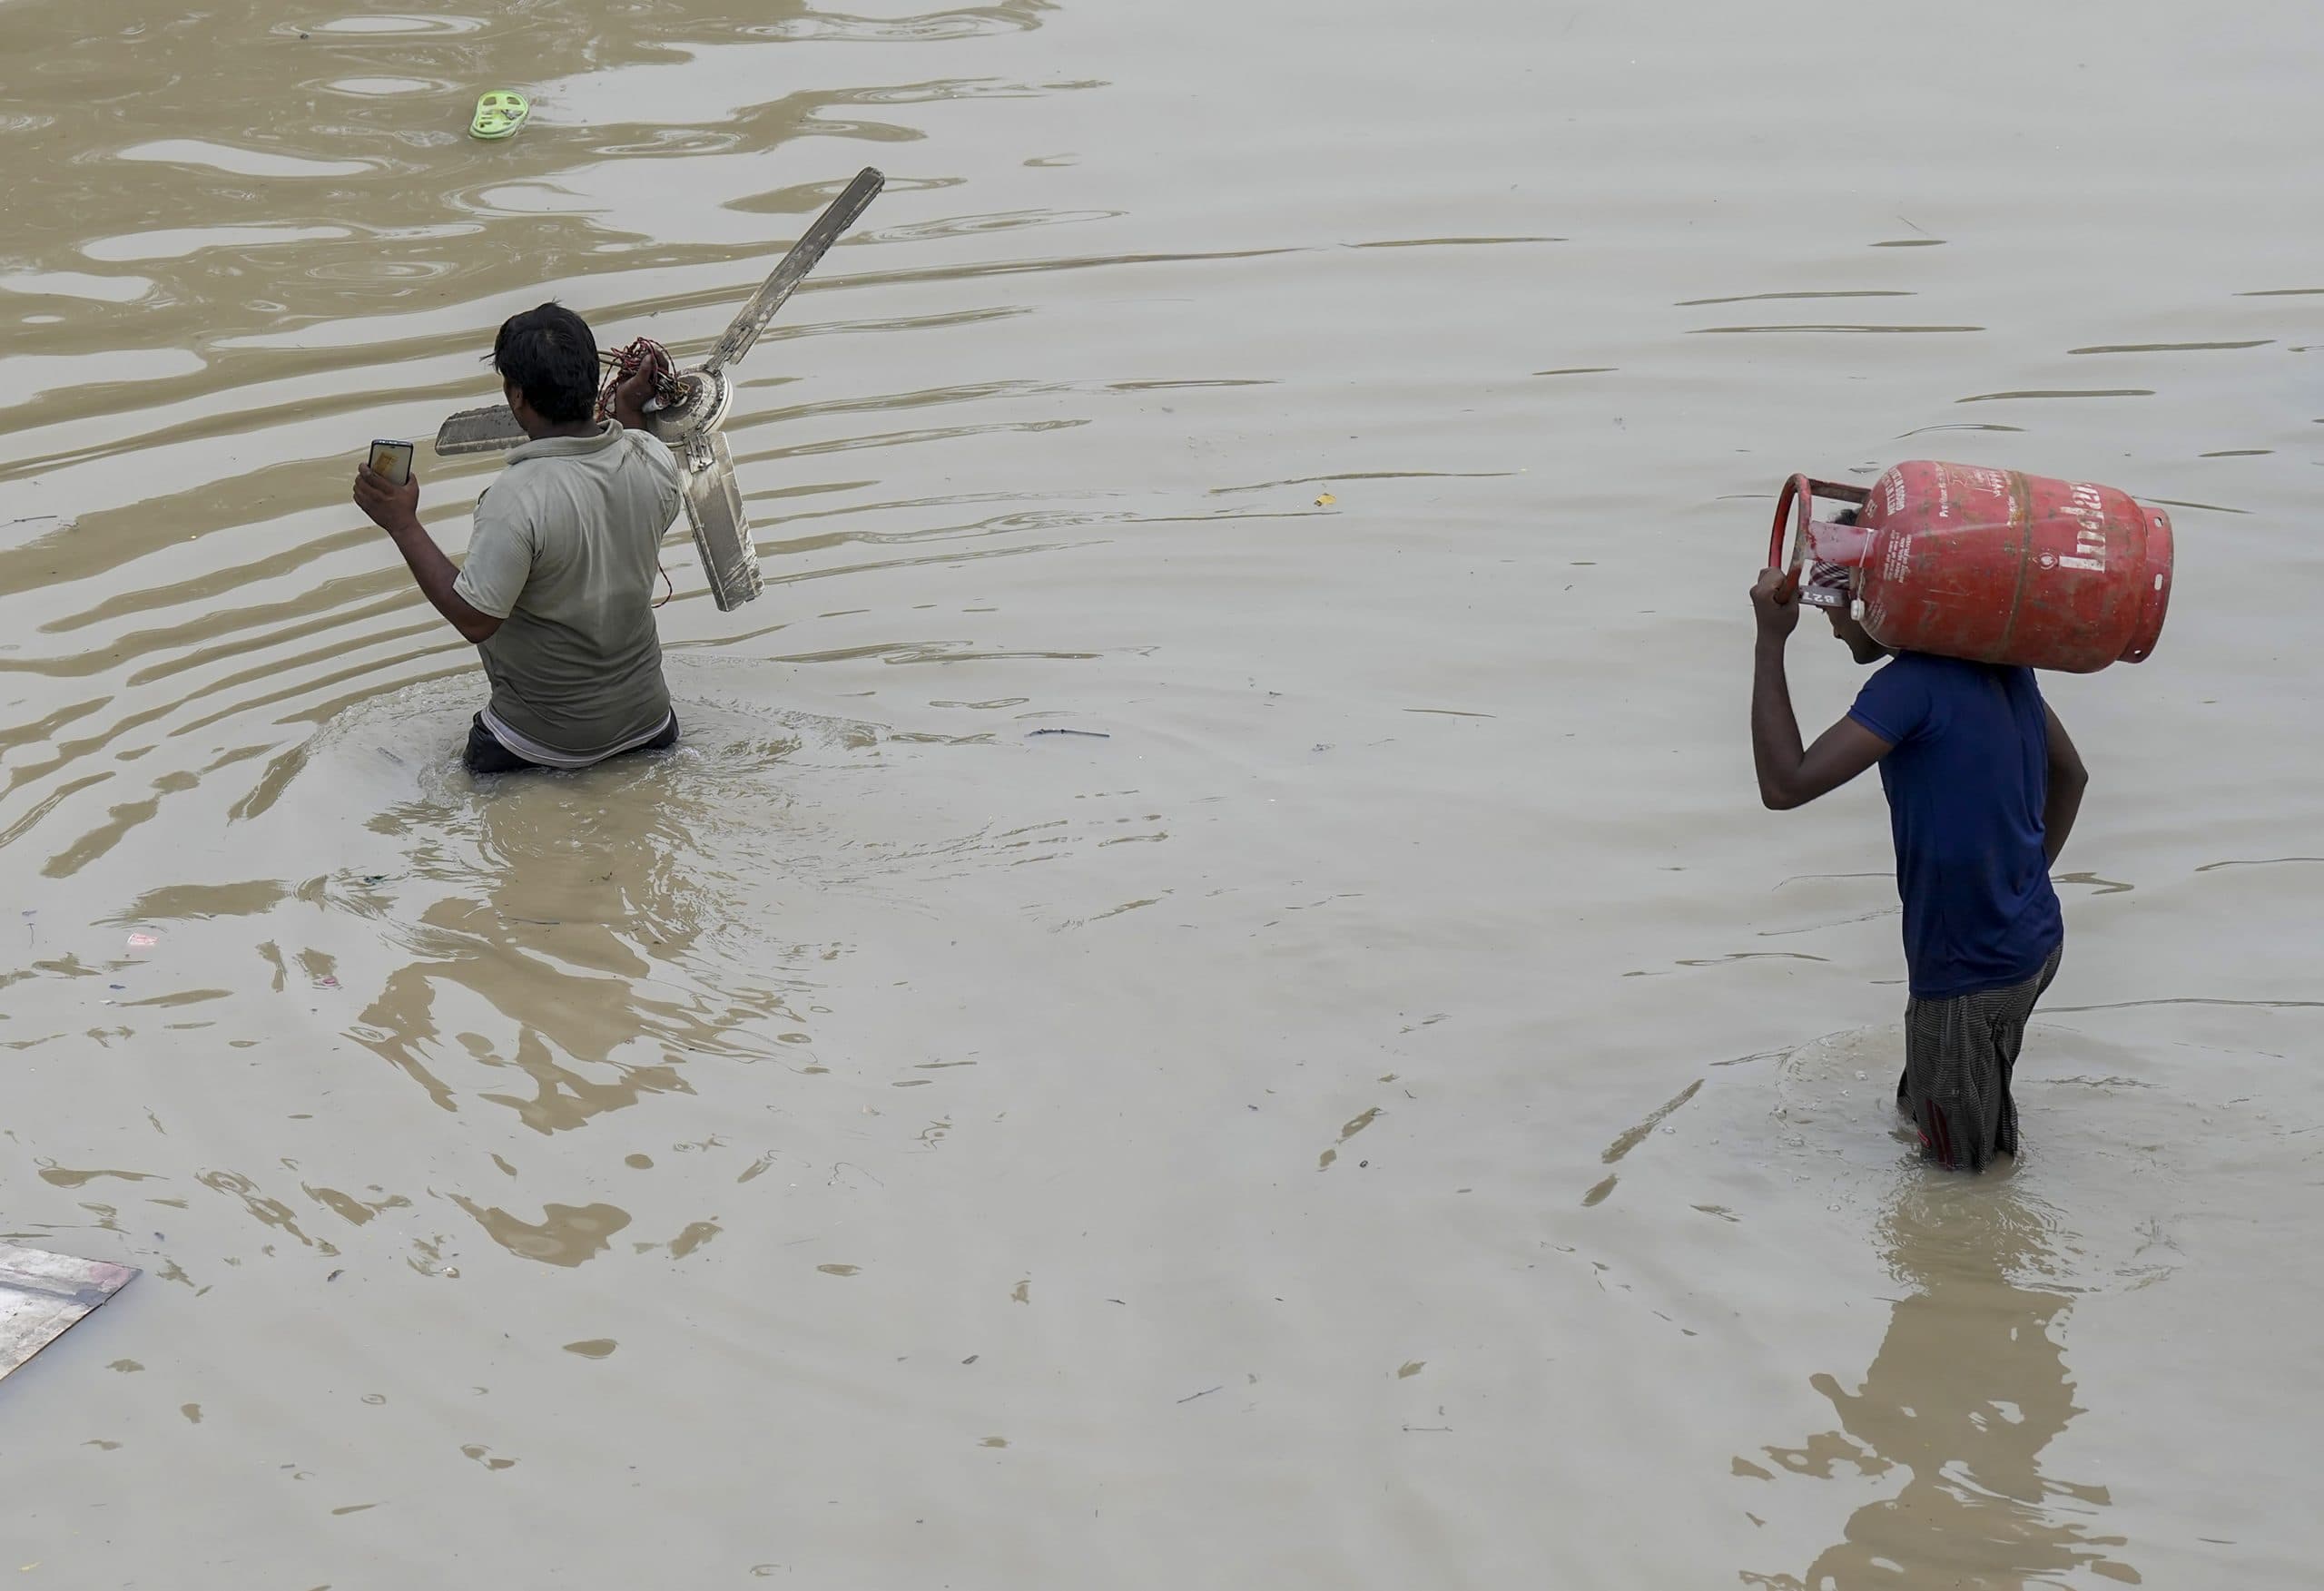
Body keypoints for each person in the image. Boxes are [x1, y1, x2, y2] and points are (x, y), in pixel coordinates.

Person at [1748, 545, 2089, 1172]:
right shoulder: (2003, 665)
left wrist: (1771, 641)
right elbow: (2072, 775)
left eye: (1832, 602)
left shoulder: (1908, 688)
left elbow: (1784, 784)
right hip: (2033, 941)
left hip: (1968, 971)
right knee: (1926, 1111)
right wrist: (2016, 885)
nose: (1829, 621)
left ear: (1873, 599)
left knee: (1962, 1177)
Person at [353, 302, 684, 774]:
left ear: (518, 397)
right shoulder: (653, 459)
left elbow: (475, 620)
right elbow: (626, 468)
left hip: (540, 744)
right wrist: (629, 410)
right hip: (650, 727)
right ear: (592, 380)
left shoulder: (516, 498)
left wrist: (402, 524)